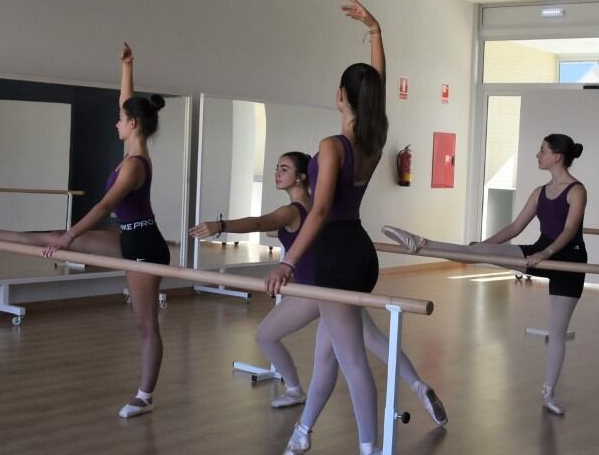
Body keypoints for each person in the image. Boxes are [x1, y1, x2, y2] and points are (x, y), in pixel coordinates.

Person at [0, 43, 170, 419]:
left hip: (145, 246)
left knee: (146, 325)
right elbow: (126, 102)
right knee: (50, 237)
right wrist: (128, 67)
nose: (116, 122)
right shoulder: (131, 147)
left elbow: (104, 207)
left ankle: (145, 395)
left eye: (120, 119)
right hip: (130, 236)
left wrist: (71, 236)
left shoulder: (133, 166)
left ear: (133, 125)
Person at [190, 152, 447, 425]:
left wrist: (219, 226)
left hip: (318, 289)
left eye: (284, 169)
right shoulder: (317, 209)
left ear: (301, 177)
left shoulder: (290, 211)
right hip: (340, 282)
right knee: (373, 340)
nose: (277, 173)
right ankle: (419, 386)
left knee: (266, 335)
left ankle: (294, 390)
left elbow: (260, 223)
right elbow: (274, 228)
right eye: (277, 168)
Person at [262, 0, 388, 455]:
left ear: (340, 94)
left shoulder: (333, 146)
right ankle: (303, 435)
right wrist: (375, 30)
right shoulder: (375, 140)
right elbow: (375, 86)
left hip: (333, 257)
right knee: (329, 359)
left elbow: (316, 211)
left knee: (352, 361)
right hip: (360, 252)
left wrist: (289, 262)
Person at [383, 134, 588, 415]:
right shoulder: (540, 192)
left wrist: (546, 254)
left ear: (557, 156)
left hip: (569, 259)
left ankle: (548, 393)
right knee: (476, 253)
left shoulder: (577, 190)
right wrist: (485, 246)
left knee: (556, 332)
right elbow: (515, 227)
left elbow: (569, 229)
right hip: (541, 251)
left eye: (542, 150)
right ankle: (420, 243)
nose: (537, 155)